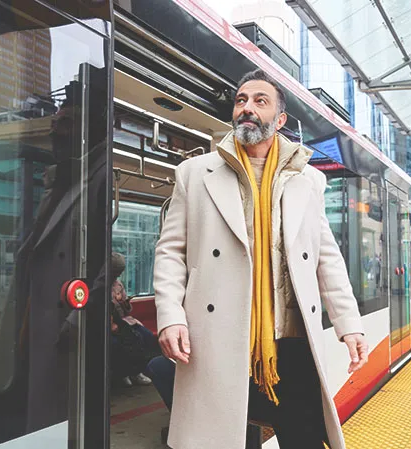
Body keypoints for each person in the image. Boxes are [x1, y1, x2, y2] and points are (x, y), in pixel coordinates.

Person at [153, 69, 368, 449]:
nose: (247, 108)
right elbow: (171, 252)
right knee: (223, 439)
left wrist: (348, 324)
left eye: (259, 101)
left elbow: (326, 259)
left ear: (280, 120)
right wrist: (170, 316)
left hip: (291, 340)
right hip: (221, 338)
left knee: (304, 439)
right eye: (241, 100)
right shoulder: (194, 174)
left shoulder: (308, 179)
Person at [109, 252, 158, 387]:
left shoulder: (118, 285)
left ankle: (138, 371)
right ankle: (123, 373)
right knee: (122, 343)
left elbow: (127, 310)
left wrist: (125, 303)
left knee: (146, 336)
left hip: (125, 320)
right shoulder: (102, 286)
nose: (118, 275)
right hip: (112, 323)